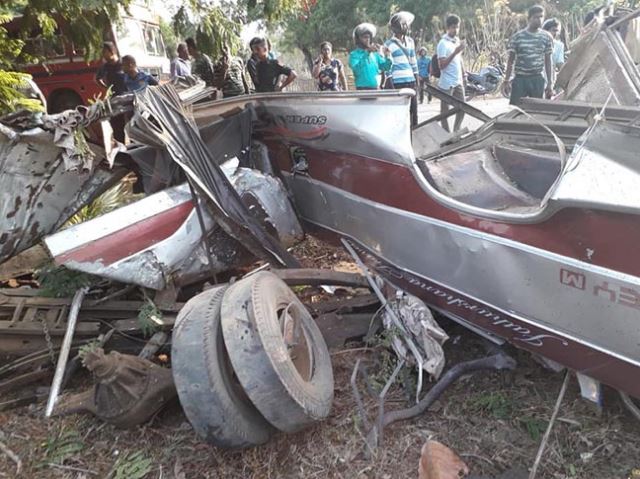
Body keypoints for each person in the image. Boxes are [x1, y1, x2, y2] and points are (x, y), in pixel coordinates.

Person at [504, 5, 554, 105]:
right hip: (520, 79)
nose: (539, 20)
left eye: (541, 17)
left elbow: (548, 61)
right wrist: (506, 80)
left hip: (537, 79)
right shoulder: (518, 37)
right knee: (516, 108)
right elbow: (511, 61)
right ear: (529, 19)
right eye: (536, 17)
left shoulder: (546, 37)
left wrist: (550, 82)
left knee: (537, 109)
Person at [385, 11, 419, 127]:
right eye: (403, 24)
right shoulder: (388, 44)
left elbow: (413, 61)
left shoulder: (410, 41)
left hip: (411, 81)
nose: (406, 27)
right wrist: (390, 82)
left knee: (413, 112)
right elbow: (387, 67)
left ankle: (414, 133)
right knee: (400, 113)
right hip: (398, 82)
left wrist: (416, 78)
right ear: (396, 27)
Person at [436, 14, 466, 133]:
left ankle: (456, 131)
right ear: (448, 28)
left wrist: (464, 74)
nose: (456, 30)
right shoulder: (442, 43)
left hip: (458, 81)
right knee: (445, 112)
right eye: (453, 27)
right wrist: (455, 52)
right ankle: (446, 134)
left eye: (457, 27)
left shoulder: (456, 41)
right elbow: (441, 65)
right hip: (446, 83)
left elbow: (459, 60)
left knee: (463, 108)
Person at [95, 41, 127, 142]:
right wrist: (107, 87)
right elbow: (97, 79)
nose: (103, 55)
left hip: (127, 99)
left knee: (132, 125)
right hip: (114, 100)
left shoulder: (123, 63)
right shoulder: (105, 67)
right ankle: (121, 147)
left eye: (104, 52)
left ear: (112, 51)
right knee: (117, 127)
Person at [349, 23, 392, 91]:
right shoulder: (354, 55)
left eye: (369, 37)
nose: (367, 40)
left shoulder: (375, 54)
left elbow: (385, 67)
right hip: (362, 89)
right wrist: (367, 53)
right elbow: (357, 70)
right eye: (365, 37)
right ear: (358, 39)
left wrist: (387, 56)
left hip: (376, 89)